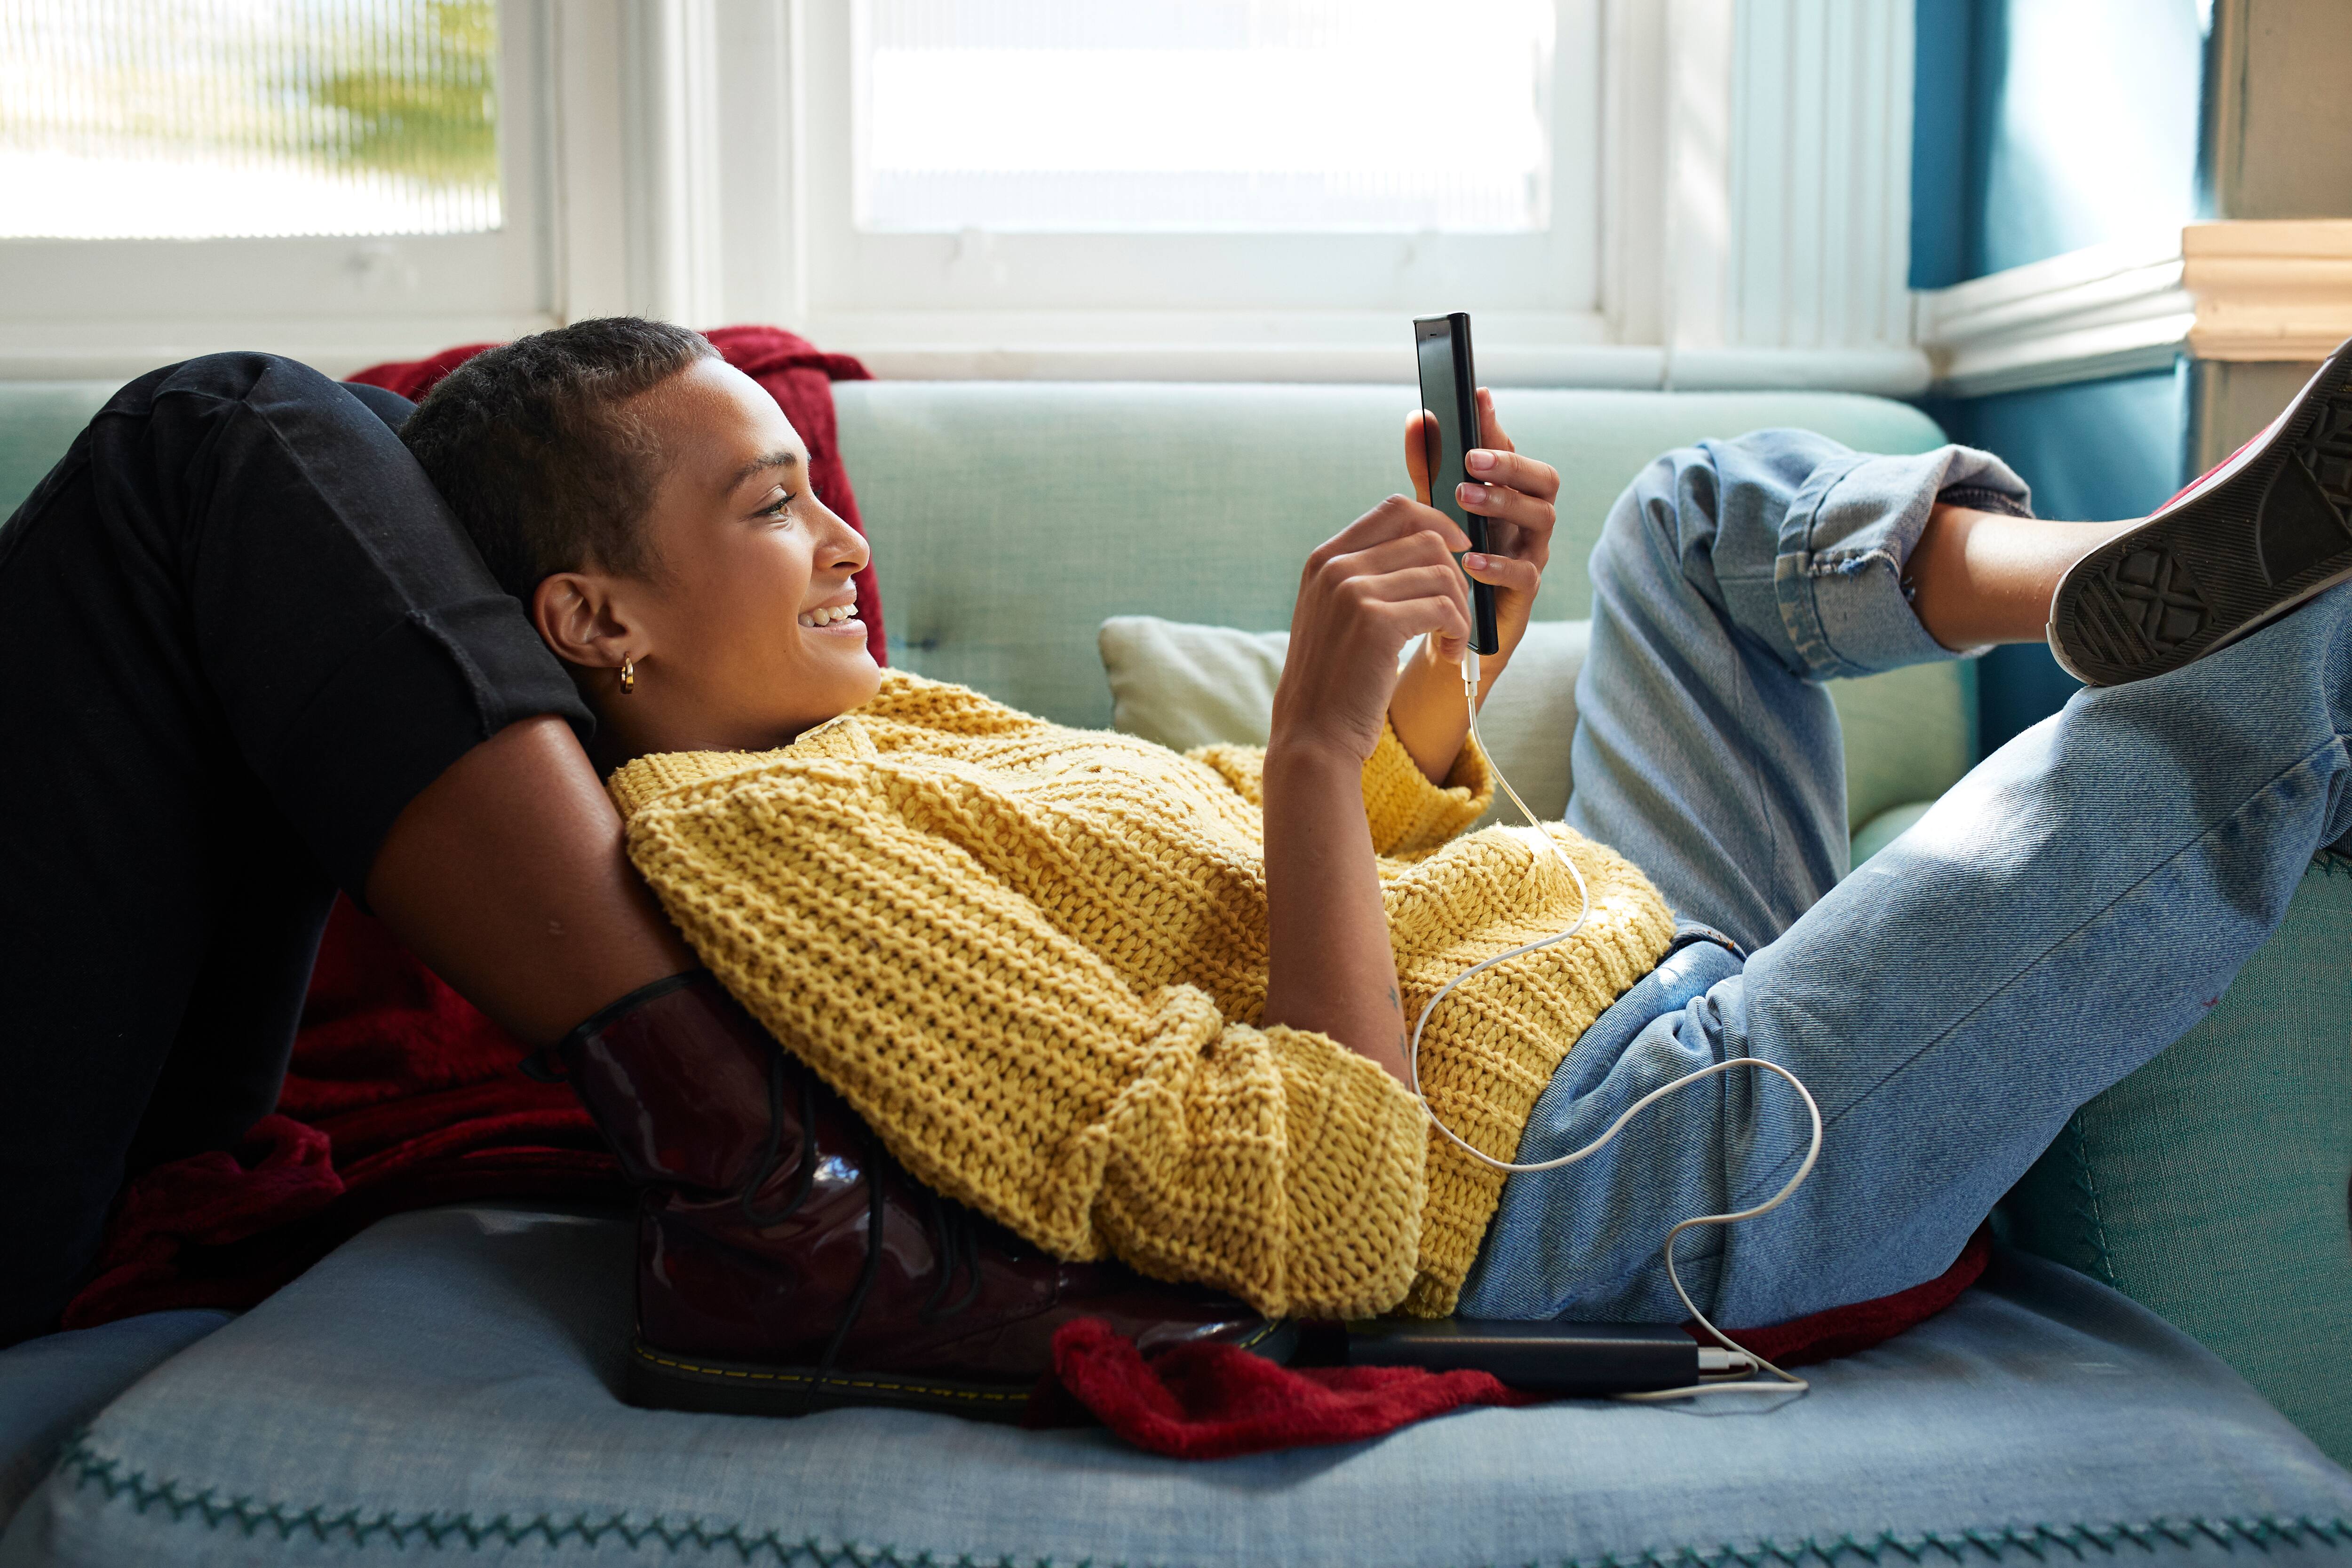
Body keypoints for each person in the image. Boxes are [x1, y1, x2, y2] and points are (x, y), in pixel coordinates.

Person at [7, 322, 2348, 1420]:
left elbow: (1409, 893)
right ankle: (2224, 626)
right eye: (764, 506)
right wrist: (1313, 758)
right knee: (2280, 695)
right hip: (1639, 1173)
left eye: (812, 492)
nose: (839, 535)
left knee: (1685, 521)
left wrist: (1431, 694)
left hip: (1634, 974)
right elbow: (1321, 1213)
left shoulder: (882, 731)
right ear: (594, 630)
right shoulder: (752, 839)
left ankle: (2105, 568)